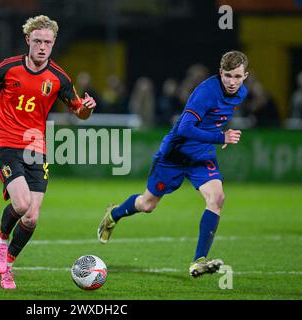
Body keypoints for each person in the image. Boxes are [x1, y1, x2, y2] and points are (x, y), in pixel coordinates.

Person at [0, 15, 96, 289]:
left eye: (47, 42)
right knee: (21, 204)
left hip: (36, 147)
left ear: (53, 44)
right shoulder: (9, 68)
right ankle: (2, 236)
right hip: (6, 142)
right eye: (37, 41)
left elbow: (79, 111)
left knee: (32, 217)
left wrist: (86, 108)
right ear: (28, 40)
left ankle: (9, 265)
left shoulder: (59, 77)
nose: (42, 47)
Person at [97, 51, 248, 278]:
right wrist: (220, 138)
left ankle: (198, 261)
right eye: (227, 75)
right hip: (174, 154)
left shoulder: (241, 93)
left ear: (245, 75)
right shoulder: (206, 92)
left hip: (201, 155)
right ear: (220, 73)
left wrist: (217, 134)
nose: (232, 82)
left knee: (217, 198)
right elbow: (185, 128)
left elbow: (214, 119)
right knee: (147, 204)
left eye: (237, 76)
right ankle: (114, 214)